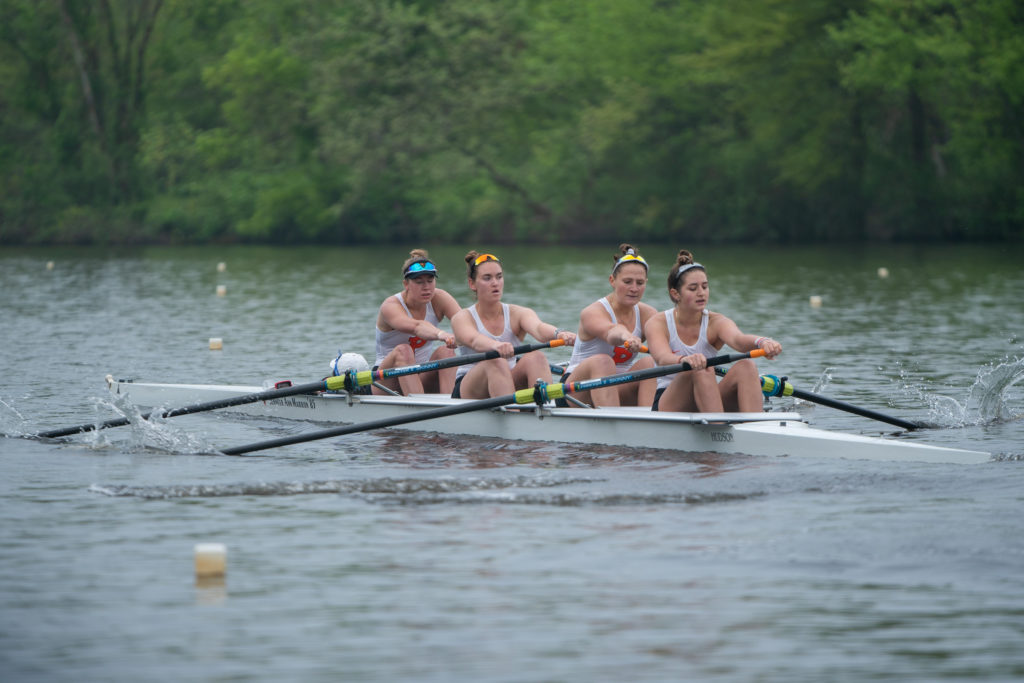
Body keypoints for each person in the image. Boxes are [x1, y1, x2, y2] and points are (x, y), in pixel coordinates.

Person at [645, 249, 782, 412]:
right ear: (675, 294)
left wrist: (762, 342)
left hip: (706, 396)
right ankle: (717, 429)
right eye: (693, 288)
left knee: (747, 366)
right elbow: (661, 357)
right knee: (699, 368)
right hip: (669, 402)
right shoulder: (658, 322)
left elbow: (738, 340)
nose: (701, 293)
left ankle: (755, 428)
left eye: (704, 286)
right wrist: (685, 360)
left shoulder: (716, 322)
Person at [450, 251, 576, 399]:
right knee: (496, 361)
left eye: (499, 276)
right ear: (472, 284)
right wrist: (495, 345)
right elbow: (474, 340)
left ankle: (547, 413)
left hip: (507, 380)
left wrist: (559, 333)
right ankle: (513, 415)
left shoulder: (517, 313)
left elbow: (538, 328)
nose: (495, 283)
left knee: (537, 357)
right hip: (471, 388)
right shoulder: (462, 318)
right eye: (487, 278)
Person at [560, 244, 658, 407]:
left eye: (640, 283)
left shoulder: (649, 314)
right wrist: (627, 336)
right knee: (603, 362)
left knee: (649, 364)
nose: (634, 288)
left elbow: (668, 344)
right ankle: (613, 425)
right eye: (627, 282)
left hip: (617, 388)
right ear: (612, 280)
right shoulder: (592, 312)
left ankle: (651, 423)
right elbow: (612, 332)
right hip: (576, 392)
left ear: (646, 283)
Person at [373, 249, 461, 395]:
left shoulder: (440, 298)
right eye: (419, 282)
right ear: (406, 284)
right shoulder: (391, 306)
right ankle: (420, 405)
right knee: (404, 350)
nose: (426, 287)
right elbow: (417, 326)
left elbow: (466, 323)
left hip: (421, 376)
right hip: (386, 380)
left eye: (430, 281)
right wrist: (443, 335)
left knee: (447, 351)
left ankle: (453, 406)